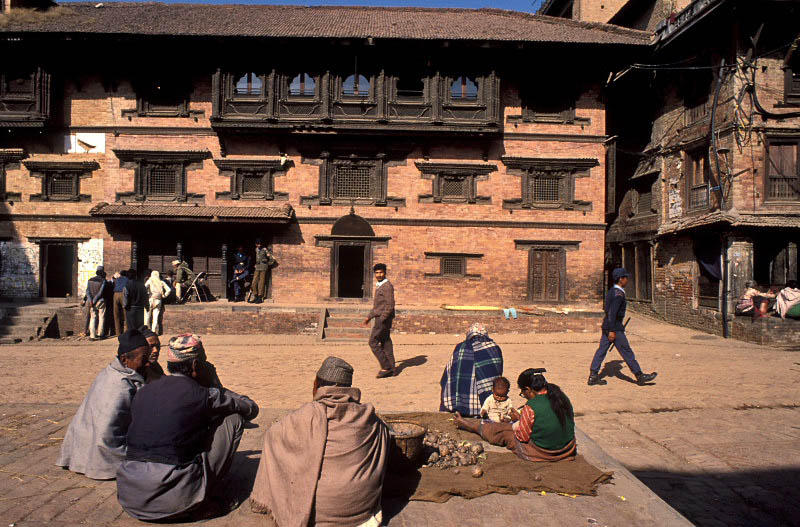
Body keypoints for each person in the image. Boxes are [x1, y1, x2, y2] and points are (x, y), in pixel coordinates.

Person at [116, 334, 259, 521]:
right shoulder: (204, 395)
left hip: (131, 494)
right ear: (195, 366)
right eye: (204, 362)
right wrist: (215, 385)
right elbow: (251, 409)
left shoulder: (144, 390)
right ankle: (203, 496)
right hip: (173, 498)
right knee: (234, 418)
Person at [250, 356, 390, 526]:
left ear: (317, 385)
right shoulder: (369, 417)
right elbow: (385, 436)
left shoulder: (308, 414)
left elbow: (273, 436)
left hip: (319, 512)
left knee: (274, 440)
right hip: (360, 510)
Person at [56, 329, 151, 479]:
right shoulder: (120, 386)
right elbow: (106, 434)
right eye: (144, 359)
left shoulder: (112, 372)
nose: (147, 364)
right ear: (125, 359)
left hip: (87, 445)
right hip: (103, 448)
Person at [454, 369, 576, 462]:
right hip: (567, 449)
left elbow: (522, 437)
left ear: (528, 389)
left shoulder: (532, 406)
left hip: (544, 452)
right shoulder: (560, 396)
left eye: (523, 392)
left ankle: (469, 425)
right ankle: (473, 425)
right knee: (507, 426)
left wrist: (519, 421)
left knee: (501, 432)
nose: (523, 395)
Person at [588, 268, 657, 386]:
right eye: (626, 278)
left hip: (608, 326)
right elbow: (612, 313)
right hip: (614, 328)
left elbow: (607, 310)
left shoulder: (612, 291)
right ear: (621, 279)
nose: (627, 280)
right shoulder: (618, 294)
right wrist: (612, 330)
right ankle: (640, 376)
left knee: (602, 350)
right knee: (626, 351)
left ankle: (593, 376)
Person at [440, 322, 503, 416]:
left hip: (460, 402)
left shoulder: (460, 347)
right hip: (484, 402)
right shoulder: (493, 347)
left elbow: (450, 372)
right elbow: (497, 371)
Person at [363, 263, 396, 378]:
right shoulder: (380, 285)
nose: (379, 275)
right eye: (377, 273)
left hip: (383, 319)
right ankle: (392, 368)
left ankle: (386, 367)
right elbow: (378, 306)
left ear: (385, 273)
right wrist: (369, 316)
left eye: (381, 272)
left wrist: (382, 319)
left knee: (372, 342)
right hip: (381, 317)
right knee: (386, 342)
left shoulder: (387, 286)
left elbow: (390, 305)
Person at [144, 270, 171, 335]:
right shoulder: (161, 282)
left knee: (147, 316)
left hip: (150, 299)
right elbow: (169, 290)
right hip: (158, 300)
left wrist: (147, 293)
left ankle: (146, 331)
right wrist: (164, 295)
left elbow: (144, 287)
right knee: (155, 317)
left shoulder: (150, 281)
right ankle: (153, 331)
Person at [83, 265, 107, 340]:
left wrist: (91, 300)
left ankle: (92, 335)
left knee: (92, 318)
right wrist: (95, 300)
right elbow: (100, 292)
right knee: (101, 317)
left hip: (91, 302)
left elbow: (87, 291)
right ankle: (100, 334)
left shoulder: (90, 280)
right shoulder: (103, 281)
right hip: (100, 301)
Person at [250, 239, 276, 304]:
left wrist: (267, 264)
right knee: (254, 282)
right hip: (257, 267)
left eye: (259, 244)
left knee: (261, 283)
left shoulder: (265, 250)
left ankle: (260, 297)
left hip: (263, 268)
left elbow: (272, 259)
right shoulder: (256, 249)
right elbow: (255, 258)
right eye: (257, 244)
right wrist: (255, 264)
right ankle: (255, 296)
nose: (259, 245)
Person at [112, 270, 129, 336]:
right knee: (125, 313)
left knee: (116, 314)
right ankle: (126, 331)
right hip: (123, 294)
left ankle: (118, 332)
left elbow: (112, 280)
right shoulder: (127, 280)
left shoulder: (117, 279)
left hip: (115, 294)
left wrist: (114, 276)